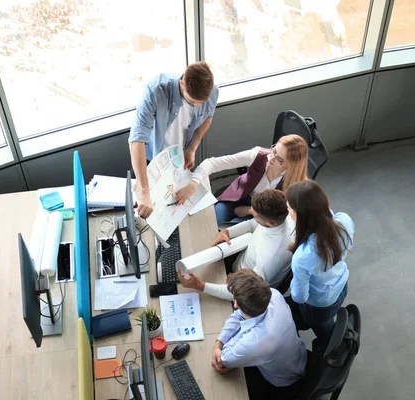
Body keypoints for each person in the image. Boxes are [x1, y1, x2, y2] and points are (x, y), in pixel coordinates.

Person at [129, 62, 219, 218]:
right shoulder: (156, 90)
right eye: (192, 102)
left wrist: (192, 148)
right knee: (150, 207)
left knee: (177, 213)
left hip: (180, 159)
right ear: (181, 83)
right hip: (154, 159)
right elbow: (137, 138)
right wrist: (144, 191)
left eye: (201, 103)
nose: (197, 107)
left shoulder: (212, 92)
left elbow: (208, 118)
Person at [177, 189, 295, 300]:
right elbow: (253, 225)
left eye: (254, 214)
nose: (249, 211)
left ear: (270, 223)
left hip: (240, 285)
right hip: (240, 261)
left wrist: (200, 286)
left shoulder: (270, 258)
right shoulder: (283, 218)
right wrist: (227, 232)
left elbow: (247, 292)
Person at [212, 270, 307, 397]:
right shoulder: (274, 295)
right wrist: (219, 342)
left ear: (235, 303)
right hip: (297, 356)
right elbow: (238, 316)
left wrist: (218, 348)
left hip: (283, 380)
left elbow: (223, 362)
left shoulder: (257, 341)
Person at [175, 134, 308, 225]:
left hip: (264, 212)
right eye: (274, 150)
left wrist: (250, 210)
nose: (271, 158)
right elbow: (212, 163)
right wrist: (193, 184)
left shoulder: (297, 184)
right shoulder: (259, 155)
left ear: (291, 165)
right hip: (240, 195)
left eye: (279, 159)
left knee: (228, 234)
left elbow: (284, 215)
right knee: (212, 223)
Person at [285, 179, 354, 343]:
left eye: (289, 209)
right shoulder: (344, 220)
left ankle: (334, 347)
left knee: (325, 332)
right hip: (341, 285)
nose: (287, 212)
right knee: (327, 321)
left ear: (299, 215)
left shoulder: (302, 257)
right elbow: (328, 214)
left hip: (320, 304)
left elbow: (300, 297)